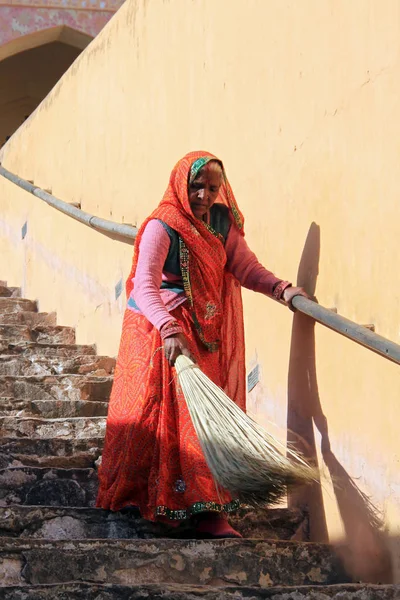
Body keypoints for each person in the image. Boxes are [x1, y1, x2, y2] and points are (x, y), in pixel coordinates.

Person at [96, 151, 308, 538]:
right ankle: (165, 504)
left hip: (205, 337)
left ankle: (209, 511)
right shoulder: (165, 225)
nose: (204, 195)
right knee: (173, 423)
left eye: (212, 188)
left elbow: (244, 267)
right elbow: (145, 285)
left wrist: (282, 290)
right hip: (163, 337)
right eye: (197, 186)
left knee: (207, 425)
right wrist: (168, 328)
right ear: (181, 183)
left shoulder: (222, 222)